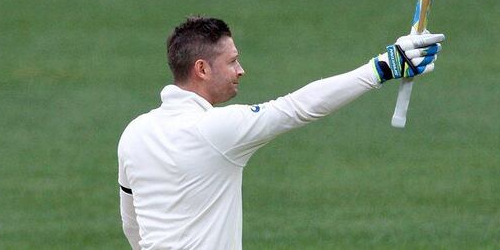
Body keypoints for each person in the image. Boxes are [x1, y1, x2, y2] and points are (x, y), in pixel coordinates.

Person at [117, 16, 444, 250]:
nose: (241, 70)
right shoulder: (216, 131)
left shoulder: (134, 134)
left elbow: (133, 224)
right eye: (232, 61)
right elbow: (298, 107)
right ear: (202, 68)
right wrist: (382, 67)